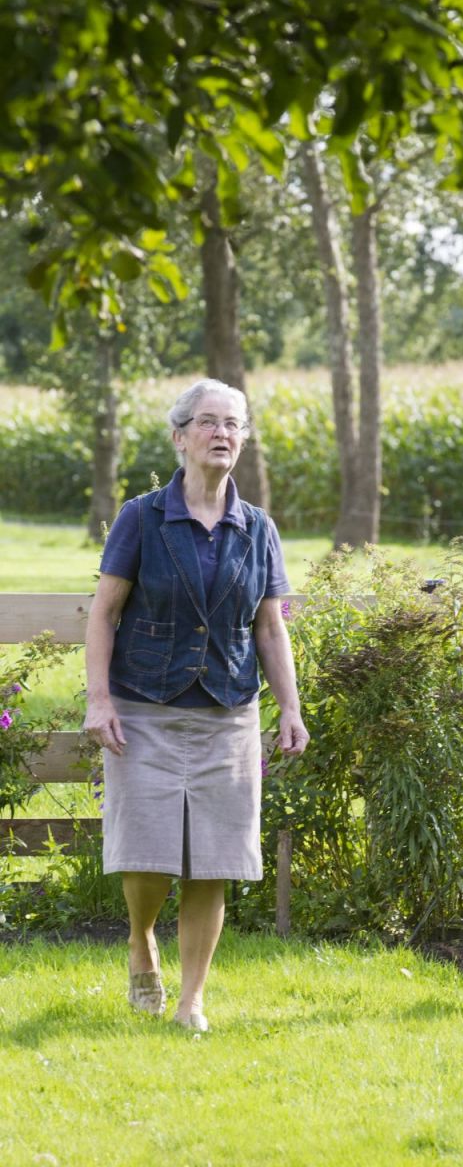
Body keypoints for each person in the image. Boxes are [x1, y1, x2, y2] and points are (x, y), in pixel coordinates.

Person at [83, 378, 308, 1031]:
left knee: (214, 860)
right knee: (149, 855)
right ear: (180, 436)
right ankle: (140, 940)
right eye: (208, 422)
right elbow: (103, 614)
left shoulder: (256, 527)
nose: (222, 434)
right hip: (145, 708)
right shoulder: (142, 518)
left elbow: (270, 627)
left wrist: (289, 708)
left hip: (228, 712)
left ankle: (191, 1002)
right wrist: (99, 700)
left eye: (234, 424)